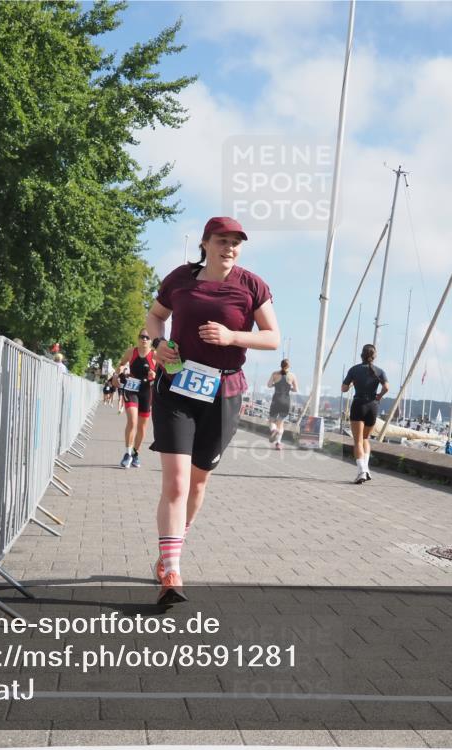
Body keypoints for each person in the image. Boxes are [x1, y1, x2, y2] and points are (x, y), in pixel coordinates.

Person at [146, 216, 279, 604]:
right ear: (205, 243)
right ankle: (172, 571)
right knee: (176, 483)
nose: (230, 248)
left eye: (236, 242)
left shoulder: (252, 285)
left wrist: (232, 336)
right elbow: (155, 317)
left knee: (198, 484)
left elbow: (273, 337)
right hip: (177, 386)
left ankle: (169, 550)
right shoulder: (180, 279)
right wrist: (159, 344)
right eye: (222, 240)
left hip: (224, 391)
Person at [342, 344, 389, 484]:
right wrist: (379, 396)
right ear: (374, 356)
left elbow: (343, 388)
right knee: (366, 439)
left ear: (361, 355)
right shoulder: (379, 371)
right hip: (373, 406)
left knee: (357, 441)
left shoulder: (354, 370)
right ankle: (366, 469)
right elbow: (386, 387)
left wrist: (351, 384)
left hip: (359, 405)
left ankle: (362, 471)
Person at [116, 329, 156, 468]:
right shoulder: (131, 352)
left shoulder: (155, 355)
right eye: (142, 336)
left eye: (147, 337)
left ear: (151, 340)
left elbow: (164, 374)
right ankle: (127, 453)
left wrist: (154, 375)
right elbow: (120, 364)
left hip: (147, 391)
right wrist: (119, 371)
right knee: (132, 421)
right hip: (131, 388)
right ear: (138, 338)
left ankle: (135, 454)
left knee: (142, 426)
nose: (144, 339)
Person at [266, 359, 297, 450]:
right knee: (281, 423)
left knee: (272, 420)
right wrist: (289, 388)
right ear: (289, 366)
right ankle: (278, 443)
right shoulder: (292, 376)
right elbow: (296, 389)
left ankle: (273, 430)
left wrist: (275, 385)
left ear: (281, 365)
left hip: (276, 400)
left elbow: (268, 385)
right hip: (286, 401)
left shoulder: (274, 374)